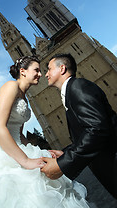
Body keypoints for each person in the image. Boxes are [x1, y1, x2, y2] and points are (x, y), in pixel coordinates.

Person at [0, 55, 90, 208]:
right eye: (37, 70)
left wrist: (43, 151)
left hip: (16, 145)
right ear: (23, 71)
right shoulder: (10, 86)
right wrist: (26, 161)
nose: (41, 74)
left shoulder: (24, 98)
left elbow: (19, 135)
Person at [41, 53, 117, 199]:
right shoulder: (71, 92)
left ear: (62, 68)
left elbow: (98, 130)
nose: (46, 74)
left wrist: (63, 164)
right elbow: (89, 131)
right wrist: (65, 152)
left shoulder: (77, 87)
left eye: (49, 69)